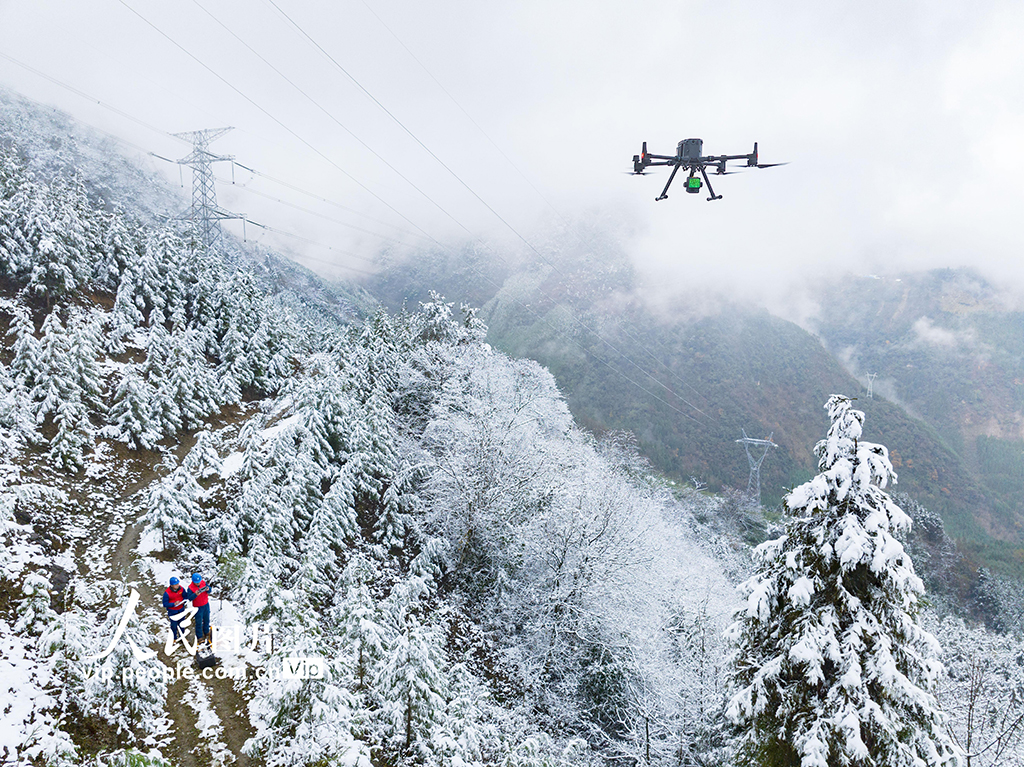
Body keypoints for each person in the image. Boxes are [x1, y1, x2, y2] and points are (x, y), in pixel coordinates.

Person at [162, 576, 195, 641]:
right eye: (176, 584)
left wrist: (183, 601)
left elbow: (185, 596)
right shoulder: (167, 593)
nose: (177, 585)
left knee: (182, 624)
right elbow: (165, 604)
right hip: (173, 612)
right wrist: (173, 604)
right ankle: (174, 638)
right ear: (171, 585)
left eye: (178, 584)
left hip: (181, 610)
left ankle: (182, 637)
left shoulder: (181, 589)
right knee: (174, 626)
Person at [188, 572, 212, 645]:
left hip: (206, 605)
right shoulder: (190, 588)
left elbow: (210, 590)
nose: (198, 584)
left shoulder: (203, 583)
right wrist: (195, 594)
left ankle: (206, 631)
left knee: (207, 619)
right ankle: (200, 637)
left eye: (199, 582)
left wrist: (208, 589)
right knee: (198, 622)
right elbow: (189, 598)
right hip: (197, 607)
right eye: (196, 583)